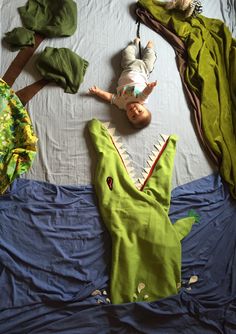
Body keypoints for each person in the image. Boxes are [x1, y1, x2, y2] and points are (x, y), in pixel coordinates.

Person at [88, 38, 157, 129]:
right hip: (144, 70)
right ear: (143, 107)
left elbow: (110, 97)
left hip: (128, 67)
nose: (135, 111)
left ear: (127, 117)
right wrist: (150, 87)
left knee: (126, 52)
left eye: (133, 116)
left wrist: (98, 92)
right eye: (140, 111)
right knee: (150, 59)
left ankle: (134, 44)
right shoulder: (141, 99)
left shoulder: (121, 104)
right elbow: (146, 92)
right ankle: (149, 48)